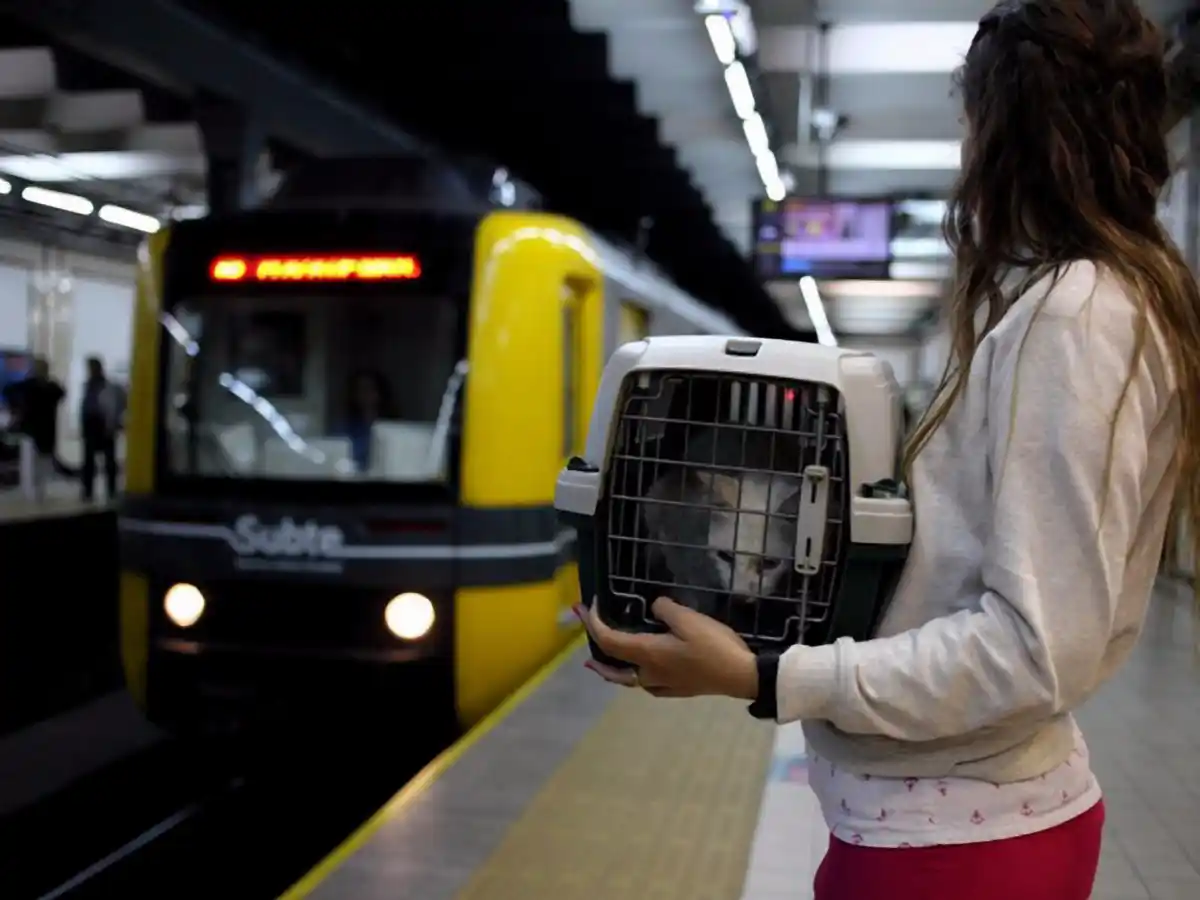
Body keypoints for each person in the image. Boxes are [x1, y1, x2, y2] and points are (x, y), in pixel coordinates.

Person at [578, 2, 1198, 898]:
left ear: (1006, 131)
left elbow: (1030, 651)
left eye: (971, 125)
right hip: (932, 825)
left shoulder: (1076, 314)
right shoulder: (1091, 301)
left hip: (956, 848)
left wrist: (765, 673)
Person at [5, 356, 65, 500]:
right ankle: (40, 491)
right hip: (47, 430)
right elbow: (62, 393)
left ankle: (31, 491)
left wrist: (15, 408)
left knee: (30, 462)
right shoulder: (52, 387)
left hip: (30, 430)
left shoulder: (28, 385)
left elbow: (8, 391)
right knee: (43, 462)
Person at [79, 356, 125, 502]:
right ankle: (88, 491)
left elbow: (114, 405)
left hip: (103, 424)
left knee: (108, 460)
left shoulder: (108, 386)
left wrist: (113, 423)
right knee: (89, 460)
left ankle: (110, 490)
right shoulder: (88, 385)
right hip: (91, 425)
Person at [343, 370, 394, 473]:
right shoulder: (347, 425)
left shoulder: (392, 426)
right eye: (360, 390)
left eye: (369, 389)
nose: (364, 394)